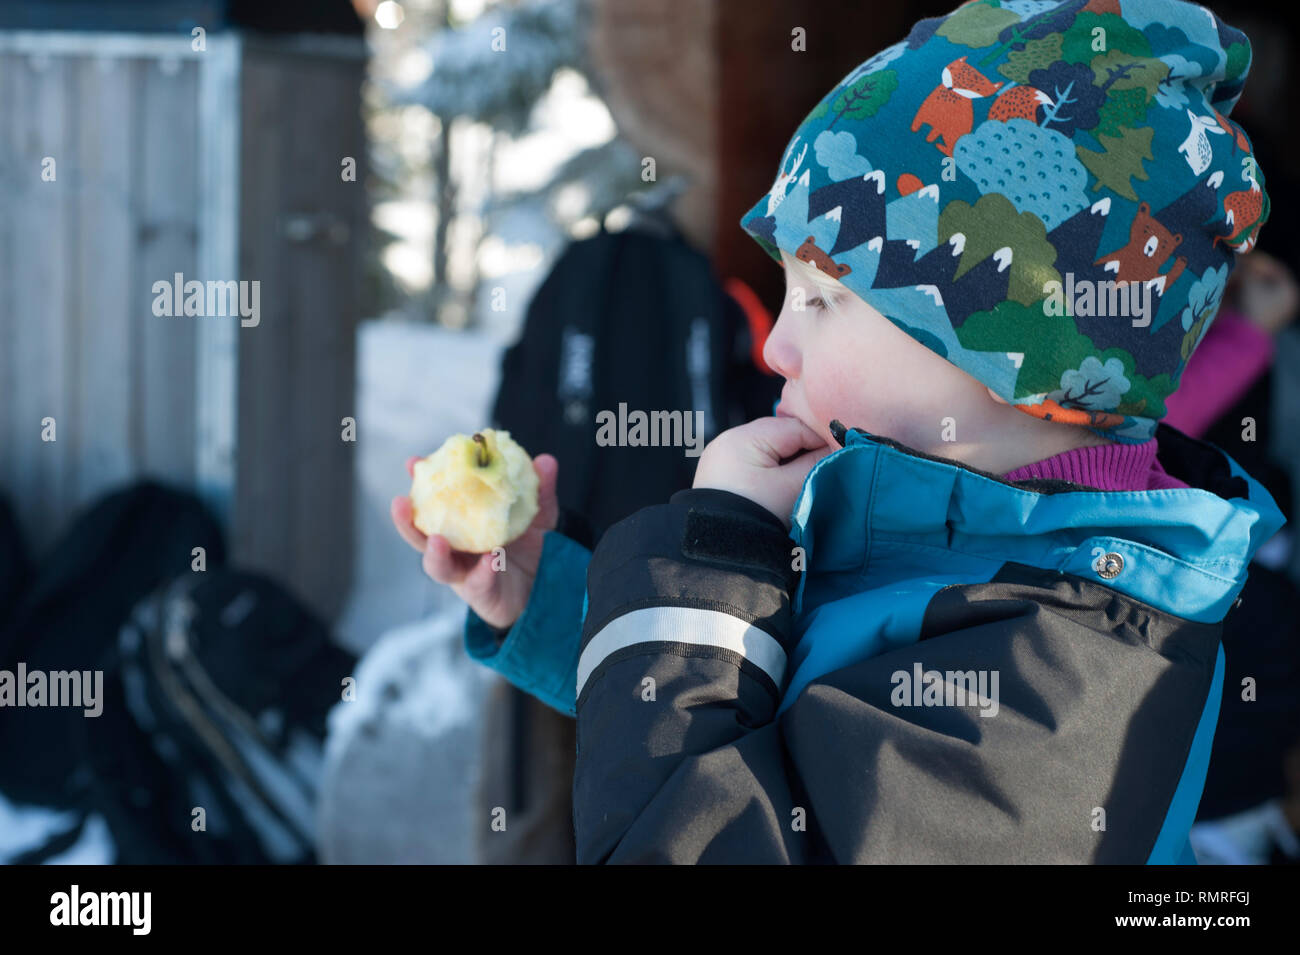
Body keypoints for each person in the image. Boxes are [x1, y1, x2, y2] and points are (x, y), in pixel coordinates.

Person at [393, 0, 1285, 863]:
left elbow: (713, 829)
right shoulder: (942, 529)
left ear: (1021, 362)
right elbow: (750, 720)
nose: (778, 346)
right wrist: (543, 598)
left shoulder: (1067, 674)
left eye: (823, 298)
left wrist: (718, 552)